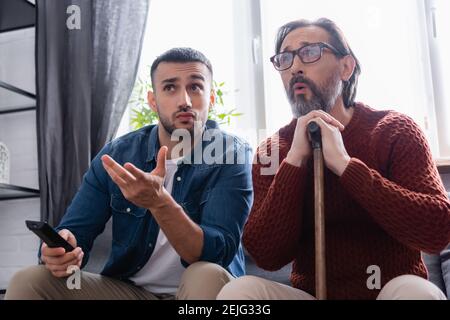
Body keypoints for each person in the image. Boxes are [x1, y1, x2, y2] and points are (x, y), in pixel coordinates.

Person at [217, 18, 450, 300]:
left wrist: (345, 165)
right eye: (285, 58)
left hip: (388, 292)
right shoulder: (274, 150)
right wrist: (293, 162)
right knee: (239, 292)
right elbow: (266, 255)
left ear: (346, 67)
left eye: (310, 52)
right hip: (312, 296)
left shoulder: (393, 130)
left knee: (417, 293)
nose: (295, 67)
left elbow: (438, 230)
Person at [5, 48, 253, 300]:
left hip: (204, 293)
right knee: (31, 281)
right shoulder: (118, 155)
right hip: (131, 292)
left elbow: (215, 253)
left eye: (195, 87)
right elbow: (76, 230)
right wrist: (60, 251)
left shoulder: (230, 154)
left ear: (210, 98)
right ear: (153, 100)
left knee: (204, 273)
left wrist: (159, 203)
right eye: (169, 88)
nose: (185, 101)